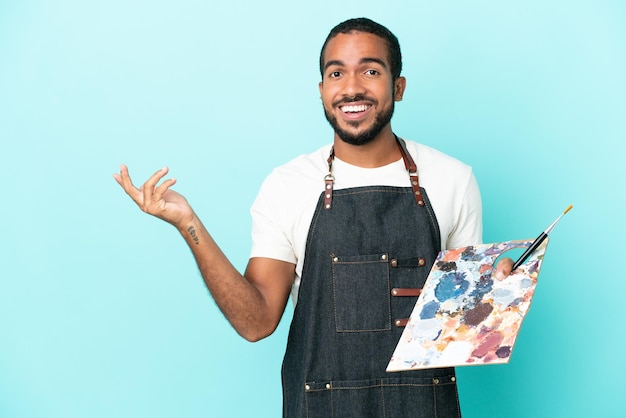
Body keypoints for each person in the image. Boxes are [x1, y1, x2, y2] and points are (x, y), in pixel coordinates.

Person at [114, 17, 513, 418]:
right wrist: (189, 224)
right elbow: (256, 323)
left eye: (371, 71)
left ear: (398, 87)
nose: (352, 87)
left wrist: (496, 294)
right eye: (336, 73)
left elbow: (462, 333)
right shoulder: (286, 185)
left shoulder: (453, 180)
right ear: (323, 90)